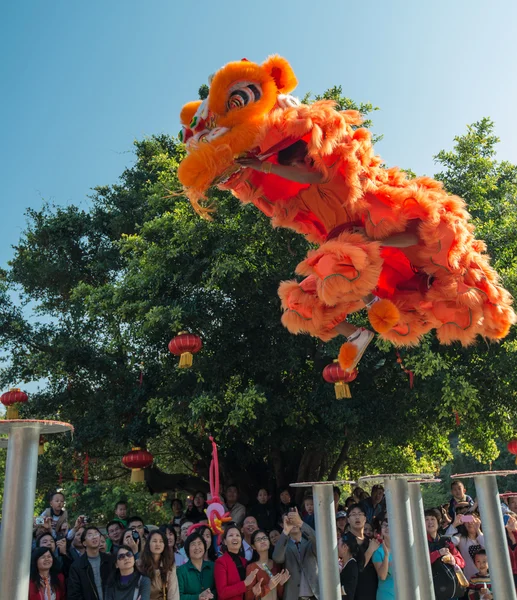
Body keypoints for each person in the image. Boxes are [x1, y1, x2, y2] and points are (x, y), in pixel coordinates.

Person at [272, 508, 319, 600]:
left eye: (295, 520)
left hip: (315, 596)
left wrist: (301, 523)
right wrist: (285, 531)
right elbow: (277, 558)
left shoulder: (310, 543)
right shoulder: (284, 545)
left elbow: (320, 543)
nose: (293, 523)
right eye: (290, 521)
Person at [425, 508, 467, 600]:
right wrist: (438, 553)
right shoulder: (420, 542)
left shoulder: (446, 540)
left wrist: (453, 559)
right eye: (426, 519)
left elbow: (462, 562)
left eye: (432, 519)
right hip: (433, 591)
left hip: (452, 590)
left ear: (438, 521)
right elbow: (422, 563)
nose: (430, 522)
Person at [67, 526, 115, 600]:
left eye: (96, 534)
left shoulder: (110, 560)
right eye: (90, 535)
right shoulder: (77, 566)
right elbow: (74, 594)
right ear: (84, 543)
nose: (94, 537)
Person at [214, 524, 258, 600]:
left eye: (238, 535)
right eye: (231, 535)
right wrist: (245, 583)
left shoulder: (244, 561)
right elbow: (222, 593)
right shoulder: (220, 562)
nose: (235, 538)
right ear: (225, 541)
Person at [245, 529, 289, 600]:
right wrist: (268, 587)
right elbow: (248, 597)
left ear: (269, 542)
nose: (262, 541)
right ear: (253, 546)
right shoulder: (251, 567)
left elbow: (281, 595)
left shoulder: (276, 564)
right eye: (258, 540)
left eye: (265, 538)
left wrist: (280, 584)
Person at [346, 504, 379, 600]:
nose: (357, 517)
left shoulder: (370, 541)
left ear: (365, 518)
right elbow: (356, 568)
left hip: (373, 590)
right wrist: (370, 550)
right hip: (354, 593)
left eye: (360, 514)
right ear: (348, 519)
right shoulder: (344, 541)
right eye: (353, 514)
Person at [137, 530, 179, 600]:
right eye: (154, 541)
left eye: (161, 541)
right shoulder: (139, 564)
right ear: (148, 544)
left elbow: (173, 593)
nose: (158, 544)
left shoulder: (169, 565)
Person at [177, 531, 216, 600]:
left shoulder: (213, 566)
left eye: (199, 543)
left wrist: (209, 595)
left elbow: (219, 589)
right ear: (187, 549)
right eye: (193, 544)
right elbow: (179, 596)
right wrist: (198, 597)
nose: (197, 547)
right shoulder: (181, 571)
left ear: (204, 547)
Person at [445, 513, 484, 580]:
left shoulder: (483, 536)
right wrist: (454, 524)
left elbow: (487, 547)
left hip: (487, 577)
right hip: (470, 579)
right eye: (467, 521)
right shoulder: (461, 538)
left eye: (472, 520)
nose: (469, 523)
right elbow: (447, 542)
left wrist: (478, 530)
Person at [372, 518, 394, 600]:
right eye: (385, 525)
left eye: (390, 525)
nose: (388, 527)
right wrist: (386, 556)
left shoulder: (403, 548)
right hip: (386, 596)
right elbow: (382, 576)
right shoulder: (378, 551)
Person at [338, 533, 360, 599]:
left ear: (345, 547)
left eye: (338, 544)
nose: (336, 547)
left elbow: (348, 590)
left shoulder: (352, 566)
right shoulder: (345, 564)